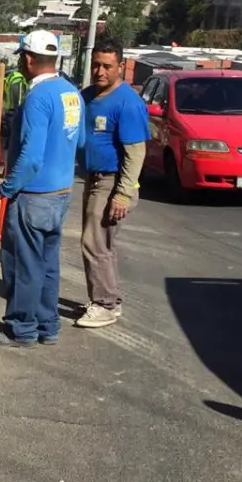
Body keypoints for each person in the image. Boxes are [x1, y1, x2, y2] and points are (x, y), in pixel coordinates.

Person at [0, 30, 85, 348]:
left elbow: (31, 157)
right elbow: (78, 141)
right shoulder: (71, 93)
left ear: (28, 59)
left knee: (23, 264)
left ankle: (22, 329)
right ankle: (48, 324)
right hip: (61, 194)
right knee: (47, 264)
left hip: (32, 196)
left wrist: (4, 188)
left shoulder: (37, 98)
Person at [75, 36, 150, 329]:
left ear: (121, 66)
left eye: (107, 66)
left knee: (93, 243)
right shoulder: (88, 95)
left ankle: (104, 304)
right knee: (101, 243)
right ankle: (109, 299)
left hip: (112, 182)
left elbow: (135, 153)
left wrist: (122, 194)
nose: (100, 71)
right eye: (95, 65)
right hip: (92, 179)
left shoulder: (128, 103)